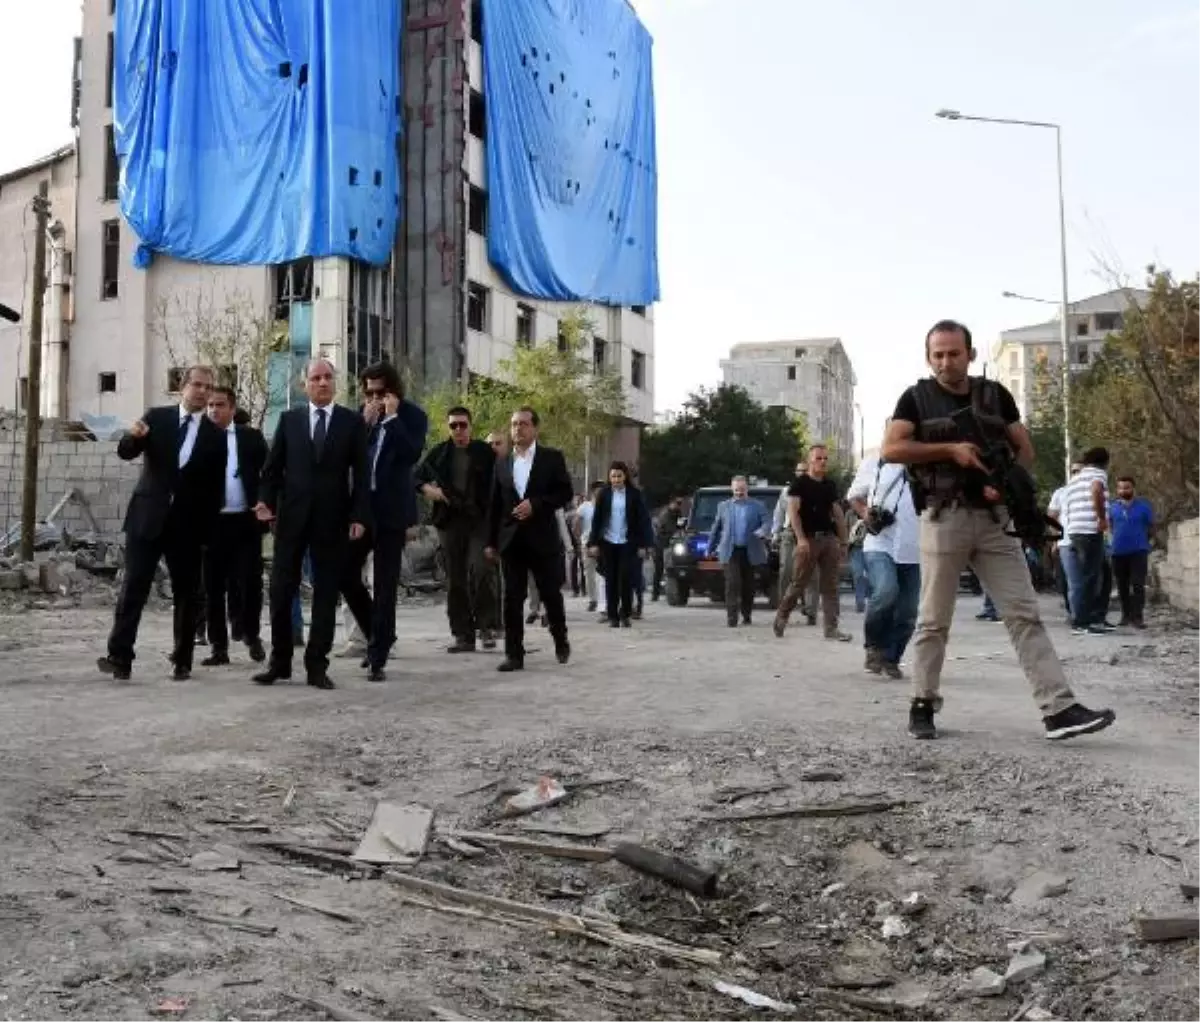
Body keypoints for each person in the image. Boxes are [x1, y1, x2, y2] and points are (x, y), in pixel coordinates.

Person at [881, 319, 1115, 741]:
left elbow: (1024, 447)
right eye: (938, 354)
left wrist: (1007, 483)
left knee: (1024, 613)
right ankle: (923, 704)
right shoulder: (916, 399)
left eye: (954, 353)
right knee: (934, 620)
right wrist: (949, 449)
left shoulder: (995, 395)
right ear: (928, 356)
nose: (946, 362)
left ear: (970, 354)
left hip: (993, 521)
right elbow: (893, 448)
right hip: (943, 517)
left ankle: (1058, 709)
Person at [98, 365, 225, 681]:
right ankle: (119, 656)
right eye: (197, 385)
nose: (202, 392)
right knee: (134, 587)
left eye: (208, 387)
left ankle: (182, 659)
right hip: (147, 517)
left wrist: (208, 535)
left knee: (186, 592)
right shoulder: (157, 418)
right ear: (183, 386)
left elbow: (214, 491)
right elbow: (126, 452)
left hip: (187, 527)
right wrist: (132, 436)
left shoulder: (216, 436)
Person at [253, 358, 371, 691]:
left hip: (333, 521)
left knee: (325, 594)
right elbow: (271, 471)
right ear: (304, 384)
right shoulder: (289, 421)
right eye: (316, 378)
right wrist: (265, 501)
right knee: (280, 591)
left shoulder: (351, 423)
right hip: (291, 520)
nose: (322, 383)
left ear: (335, 384)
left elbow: (361, 476)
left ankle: (317, 666)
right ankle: (280, 663)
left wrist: (360, 516)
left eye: (327, 378)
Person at [339, 363, 428, 681]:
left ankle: (377, 658)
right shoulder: (360, 417)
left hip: (392, 513)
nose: (374, 398)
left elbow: (411, 454)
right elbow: (345, 459)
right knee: (345, 574)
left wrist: (390, 419)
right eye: (369, 392)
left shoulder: (411, 416)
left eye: (381, 392)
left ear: (394, 390)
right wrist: (363, 425)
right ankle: (378, 634)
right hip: (362, 510)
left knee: (385, 584)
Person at [484, 406, 574, 672]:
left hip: (542, 538)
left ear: (535, 428)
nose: (518, 429)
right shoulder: (502, 463)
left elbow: (565, 493)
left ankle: (560, 639)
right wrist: (491, 542)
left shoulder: (551, 458)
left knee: (550, 593)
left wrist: (537, 504)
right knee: (512, 597)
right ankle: (514, 654)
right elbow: (494, 505)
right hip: (511, 541)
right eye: (514, 424)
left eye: (523, 424)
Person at [416, 405, 497, 652]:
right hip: (449, 522)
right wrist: (430, 491)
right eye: (453, 425)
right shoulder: (439, 453)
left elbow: (500, 480)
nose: (458, 430)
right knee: (456, 580)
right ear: (448, 427)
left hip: (479, 521)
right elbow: (416, 477)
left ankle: (485, 627)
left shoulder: (485, 452)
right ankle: (463, 635)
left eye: (463, 425)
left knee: (481, 570)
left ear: (471, 426)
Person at [200, 386, 269, 667]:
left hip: (245, 521)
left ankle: (252, 635)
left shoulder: (251, 438)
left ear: (231, 409)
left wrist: (265, 503)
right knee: (213, 587)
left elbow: (270, 474)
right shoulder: (200, 439)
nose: (214, 410)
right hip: (213, 523)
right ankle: (218, 647)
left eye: (220, 405)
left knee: (250, 582)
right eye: (210, 406)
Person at [847, 453, 920, 679]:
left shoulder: (929, 462)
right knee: (886, 591)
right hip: (880, 542)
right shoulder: (875, 462)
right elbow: (854, 496)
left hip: (915, 548)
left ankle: (892, 658)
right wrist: (866, 513)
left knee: (908, 611)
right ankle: (874, 647)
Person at [774, 445, 852, 642]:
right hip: (807, 539)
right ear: (810, 461)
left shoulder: (829, 485)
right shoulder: (799, 484)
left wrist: (843, 542)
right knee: (799, 582)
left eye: (825, 458)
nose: (823, 462)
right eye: (819, 458)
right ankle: (782, 615)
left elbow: (837, 512)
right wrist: (800, 539)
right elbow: (793, 512)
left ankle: (831, 628)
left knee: (831, 585)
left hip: (828, 539)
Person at [587, 461, 654, 627]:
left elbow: (643, 520)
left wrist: (645, 545)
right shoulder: (604, 494)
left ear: (625, 476)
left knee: (625, 579)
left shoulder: (635, 494)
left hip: (627, 542)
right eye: (613, 476)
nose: (616, 479)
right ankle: (612, 616)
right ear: (609, 478)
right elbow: (596, 521)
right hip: (608, 542)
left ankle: (625, 614)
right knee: (610, 580)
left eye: (619, 476)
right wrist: (593, 543)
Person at [1063, 447, 1113, 636]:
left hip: (1074, 531)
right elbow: (1096, 489)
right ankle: (1082, 622)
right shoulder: (1097, 474)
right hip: (1089, 530)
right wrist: (1101, 518)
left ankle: (1086, 618)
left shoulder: (1075, 479)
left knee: (1086, 575)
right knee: (1090, 577)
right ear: (1105, 461)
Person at [708, 475, 771, 627]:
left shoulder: (757, 505)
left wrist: (762, 531)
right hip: (730, 550)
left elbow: (768, 522)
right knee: (732, 583)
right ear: (732, 489)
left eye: (742, 489)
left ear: (747, 489)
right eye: (736, 490)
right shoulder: (724, 506)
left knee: (748, 585)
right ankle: (732, 618)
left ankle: (747, 614)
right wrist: (710, 547)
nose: (739, 492)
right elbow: (716, 528)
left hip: (750, 551)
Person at [773, 460, 819, 618]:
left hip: (811, 534)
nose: (803, 473)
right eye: (800, 471)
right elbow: (779, 513)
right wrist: (775, 533)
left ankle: (811, 610)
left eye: (806, 470)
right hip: (789, 533)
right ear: (796, 473)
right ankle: (783, 607)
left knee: (812, 573)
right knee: (786, 570)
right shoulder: (786, 491)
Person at [1109, 475, 1154, 629]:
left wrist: (1145, 542)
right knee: (1122, 585)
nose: (1123, 490)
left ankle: (1138, 617)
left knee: (1138, 584)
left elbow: (1151, 527)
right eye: (1121, 488)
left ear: (1133, 488)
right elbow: (1108, 528)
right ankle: (1125, 616)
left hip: (1139, 551)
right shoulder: (1112, 507)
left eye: (1126, 487)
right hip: (1118, 552)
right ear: (1117, 489)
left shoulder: (1144, 507)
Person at [574, 481, 604, 613]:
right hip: (587, 542)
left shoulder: (607, 506)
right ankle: (593, 599)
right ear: (593, 491)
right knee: (589, 573)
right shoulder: (584, 507)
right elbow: (576, 525)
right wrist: (579, 540)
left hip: (603, 543)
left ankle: (604, 600)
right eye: (599, 490)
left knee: (603, 573)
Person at [651, 496, 682, 601]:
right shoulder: (666, 515)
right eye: (677, 504)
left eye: (679, 504)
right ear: (671, 503)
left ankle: (658, 593)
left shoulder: (677, 513)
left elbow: (679, 526)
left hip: (668, 544)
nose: (678, 506)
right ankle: (655, 594)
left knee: (666, 569)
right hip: (661, 545)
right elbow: (670, 529)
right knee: (660, 570)